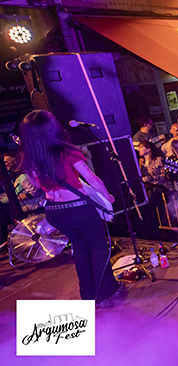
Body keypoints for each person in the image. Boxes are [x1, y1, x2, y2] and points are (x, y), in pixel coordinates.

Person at [17, 110, 125, 307]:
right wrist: (107, 196)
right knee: (99, 248)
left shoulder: (28, 158)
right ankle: (106, 294)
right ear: (52, 128)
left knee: (80, 247)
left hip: (54, 211)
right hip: (78, 208)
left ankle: (88, 295)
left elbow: (37, 186)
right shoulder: (67, 151)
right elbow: (92, 178)